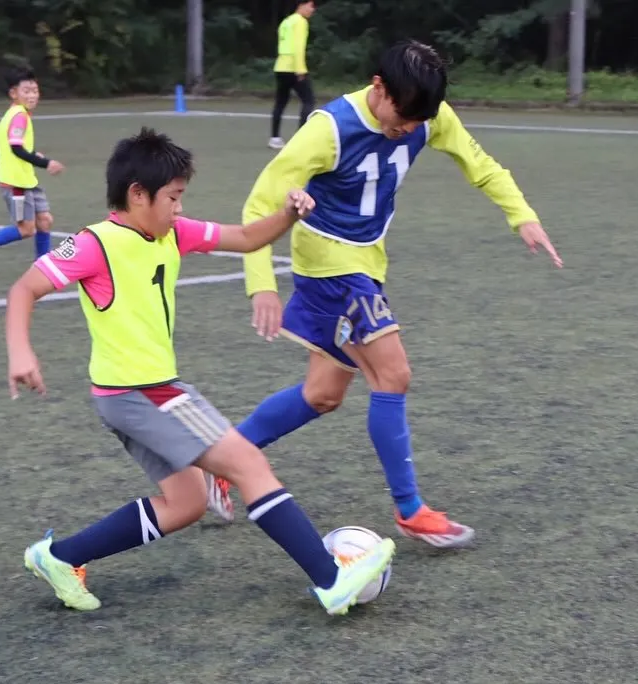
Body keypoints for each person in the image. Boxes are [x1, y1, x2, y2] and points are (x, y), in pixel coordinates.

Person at [6, 127, 394, 614]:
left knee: (185, 504)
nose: (180, 208)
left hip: (133, 395)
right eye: (173, 197)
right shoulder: (94, 244)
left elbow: (249, 237)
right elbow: (23, 289)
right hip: (142, 393)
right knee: (248, 462)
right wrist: (21, 352)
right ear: (137, 194)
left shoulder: (173, 232)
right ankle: (330, 579)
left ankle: (60, 557)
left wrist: (290, 213)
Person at [213, 40, 563, 549]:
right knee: (393, 374)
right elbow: (260, 204)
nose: (408, 130)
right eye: (401, 119)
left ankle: (224, 461)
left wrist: (522, 215)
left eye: (418, 123)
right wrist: (261, 285)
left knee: (323, 395)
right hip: (330, 267)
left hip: (366, 263)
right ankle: (410, 510)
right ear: (378, 87)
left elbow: (479, 163)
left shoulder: (426, 114)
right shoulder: (327, 129)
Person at [0, 68, 65, 271]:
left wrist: (38, 156)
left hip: (27, 180)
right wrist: (47, 164)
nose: (32, 95)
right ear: (14, 94)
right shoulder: (18, 116)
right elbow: (16, 149)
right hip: (15, 183)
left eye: (35, 91)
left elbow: (22, 148)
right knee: (27, 229)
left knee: (45, 220)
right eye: (26, 91)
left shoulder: (20, 115)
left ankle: (42, 267)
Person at [269, 0, 316, 150]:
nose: (312, 9)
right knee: (309, 100)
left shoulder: (286, 21)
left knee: (280, 102)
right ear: (301, 5)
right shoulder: (301, 22)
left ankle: (274, 137)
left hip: (280, 66)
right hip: (294, 67)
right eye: (310, 5)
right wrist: (301, 69)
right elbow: (298, 47)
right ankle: (300, 139)